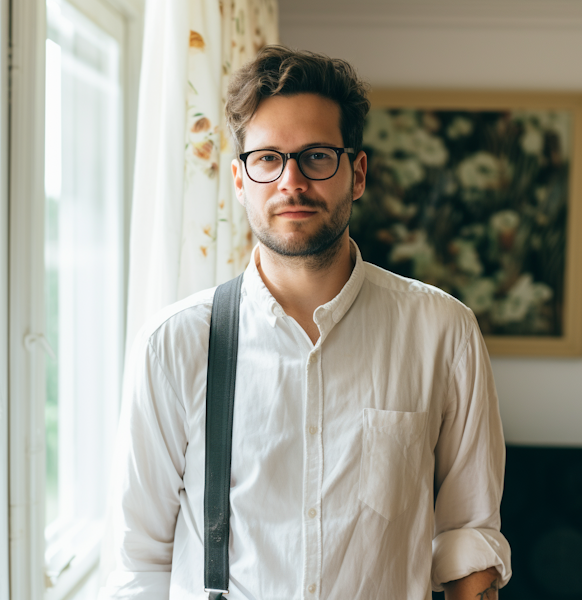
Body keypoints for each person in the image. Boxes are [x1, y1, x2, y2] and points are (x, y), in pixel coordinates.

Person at [101, 46, 511, 600]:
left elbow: (468, 534)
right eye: (268, 158)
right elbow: (139, 563)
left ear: (357, 173)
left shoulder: (443, 330)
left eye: (317, 156)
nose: (291, 180)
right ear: (240, 180)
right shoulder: (174, 344)